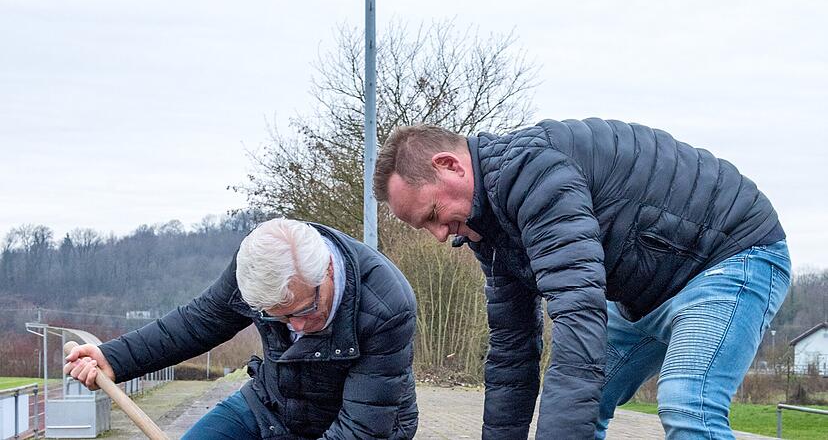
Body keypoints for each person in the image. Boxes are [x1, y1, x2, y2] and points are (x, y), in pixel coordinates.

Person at [373, 118, 789, 439]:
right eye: (426, 227)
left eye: (432, 215)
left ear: (449, 166)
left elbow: (577, 317)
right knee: (583, 403)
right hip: (645, 295)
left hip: (731, 254)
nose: (439, 234)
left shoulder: (534, 173)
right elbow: (512, 354)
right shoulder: (488, 228)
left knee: (687, 402)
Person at [64, 218, 418, 439]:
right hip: (274, 403)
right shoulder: (258, 265)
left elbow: (361, 430)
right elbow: (198, 322)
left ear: (326, 272)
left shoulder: (386, 304)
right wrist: (114, 359)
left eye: (305, 310)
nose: (296, 326)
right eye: (278, 317)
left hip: (362, 422)